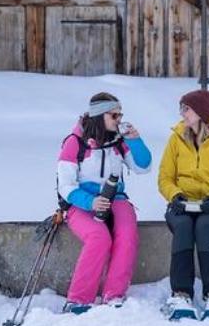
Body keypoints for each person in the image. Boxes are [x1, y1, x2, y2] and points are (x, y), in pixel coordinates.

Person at [56, 92, 151, 314]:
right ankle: (79, 299)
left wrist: (135, 141)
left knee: (127, 235)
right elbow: (66, 186)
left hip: (115, 198)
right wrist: (90, 202)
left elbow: (143, 167)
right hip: (81, 202)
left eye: (120, 115)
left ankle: (114, 294)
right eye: (114, 115)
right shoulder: (74, 143)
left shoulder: (118, 141)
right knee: (98, 237)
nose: (119, 120)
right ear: (100, 116)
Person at [158, 89, 209, 320]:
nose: (182, 113)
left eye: (187, 108)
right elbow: (164, 179)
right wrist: (175, 196)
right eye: (182, 108)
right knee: (184, 226)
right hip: (181, 204)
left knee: (204, 227)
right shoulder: (176, 138)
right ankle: (181, 293)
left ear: (201, 112)